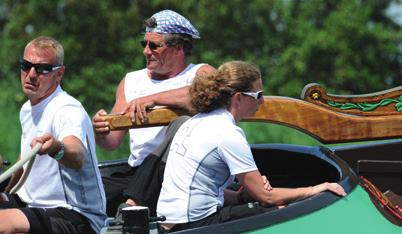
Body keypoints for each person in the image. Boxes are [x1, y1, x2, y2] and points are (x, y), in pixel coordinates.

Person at [157, 61, 347, 232]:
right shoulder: (227, 133)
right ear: (238, 98)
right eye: (258, 95)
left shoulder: (195, 122)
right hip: (196, 224)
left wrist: (242, 197)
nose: (262, 101)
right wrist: (315, 189)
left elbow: (198, 188)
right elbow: (266, 197)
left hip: (171, 223)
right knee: (279, 210)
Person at [92, 9, 215, 216]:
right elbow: (111, 143)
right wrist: (100, 129)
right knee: (87, 194)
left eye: (154, 45)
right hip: (137, 172)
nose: (146, 51)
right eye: (144, 44)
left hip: (181, 173)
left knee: (183, 122)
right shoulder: (131, 81)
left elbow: (201, 95)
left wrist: (153, 99)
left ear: (179, 48)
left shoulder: (201, 73)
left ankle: (132, 207)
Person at [0, 36, 107, 233]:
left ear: (59, 74)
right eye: (26, 65)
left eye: (42, 69)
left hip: (76, 216)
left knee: (2, 224)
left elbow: (76, 156)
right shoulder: (27, 109)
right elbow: (23, 164)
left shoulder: (67, 110)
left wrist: (57, 149)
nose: (31, 74)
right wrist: (4, 193)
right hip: (31, 204)